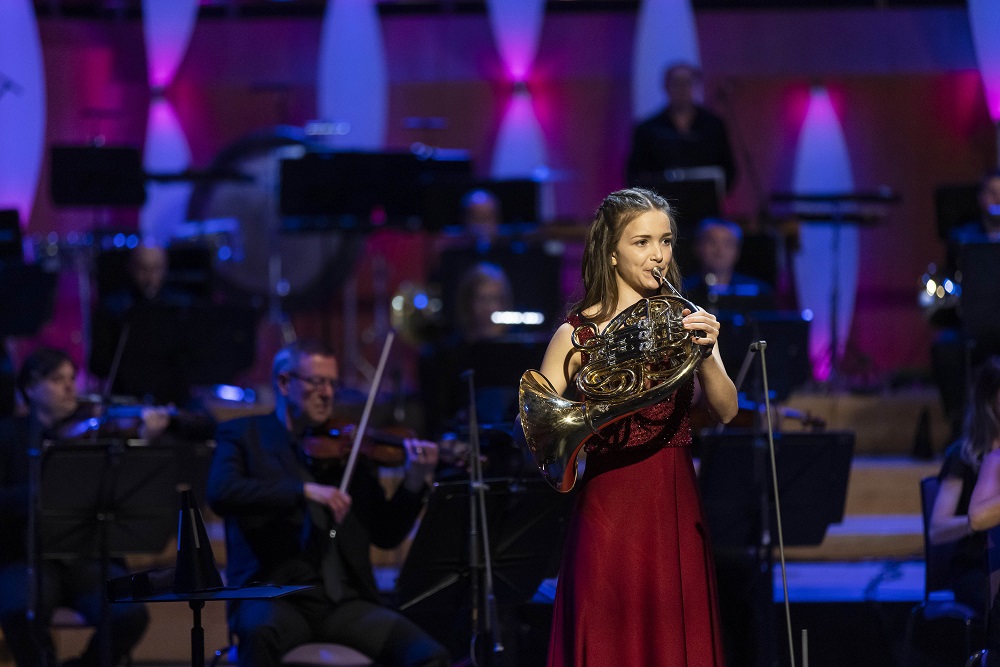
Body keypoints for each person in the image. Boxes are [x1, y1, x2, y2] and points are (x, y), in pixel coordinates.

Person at [536, 187, 738, 665]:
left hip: (672, 498)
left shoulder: (686, 320)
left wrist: (707, 354)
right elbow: (543, 425)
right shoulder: (577, 333)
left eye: (665, 241)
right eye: (642, 242)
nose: (659, 255)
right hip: (608, 504)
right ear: (611, 253)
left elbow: (727, 409)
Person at [206, 339, 451, 667]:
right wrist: (302, 491)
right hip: (273, 596)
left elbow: (386, 533)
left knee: (429, 656)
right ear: (283, 383)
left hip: (344, 605)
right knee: (259, 633)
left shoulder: (350, 449)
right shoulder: (244, 435)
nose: (327, 393)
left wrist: (413, 480)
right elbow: (222, 492)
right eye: (315, 382)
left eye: (332, 383)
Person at [0, 347, 165, 666]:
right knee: (18, 610)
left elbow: (125, 487)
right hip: (27, 556)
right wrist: (42, 491)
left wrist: (145, 437)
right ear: (30, 388)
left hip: (85, 557)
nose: (70, 387)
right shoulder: (7, 436)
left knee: (130, 613)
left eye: (72, 378)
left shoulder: (93, 435)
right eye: (57, 379)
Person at [928, 356, 1000, 617]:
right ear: (989, 400)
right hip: (974, 568)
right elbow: (937, 529)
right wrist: (981, 520)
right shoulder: (964, 456)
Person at [89, 244, 196, 406]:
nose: (149, 277)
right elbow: (99, 365)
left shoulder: (182, 307)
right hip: (126, 398)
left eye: (156, 269)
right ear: (131, 268)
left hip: (172, 399)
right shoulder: (114, 309)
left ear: (165, 269)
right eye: (143, 269)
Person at [626, 62, 737, 192]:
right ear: (666, 86)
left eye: (687, 82)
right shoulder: (648, 129)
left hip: (705, 206)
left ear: (695, 86)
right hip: (662, 206)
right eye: (677, 83)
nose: (682, 89)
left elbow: (729, 169)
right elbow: (634, 174)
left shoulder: (713, 125)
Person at [682, 217, 775, 314]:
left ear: (737, 251)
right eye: (712, 242)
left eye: (727, 244)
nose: (719, 251)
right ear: (697, 247)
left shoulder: (758, 292)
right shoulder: (684, 292)